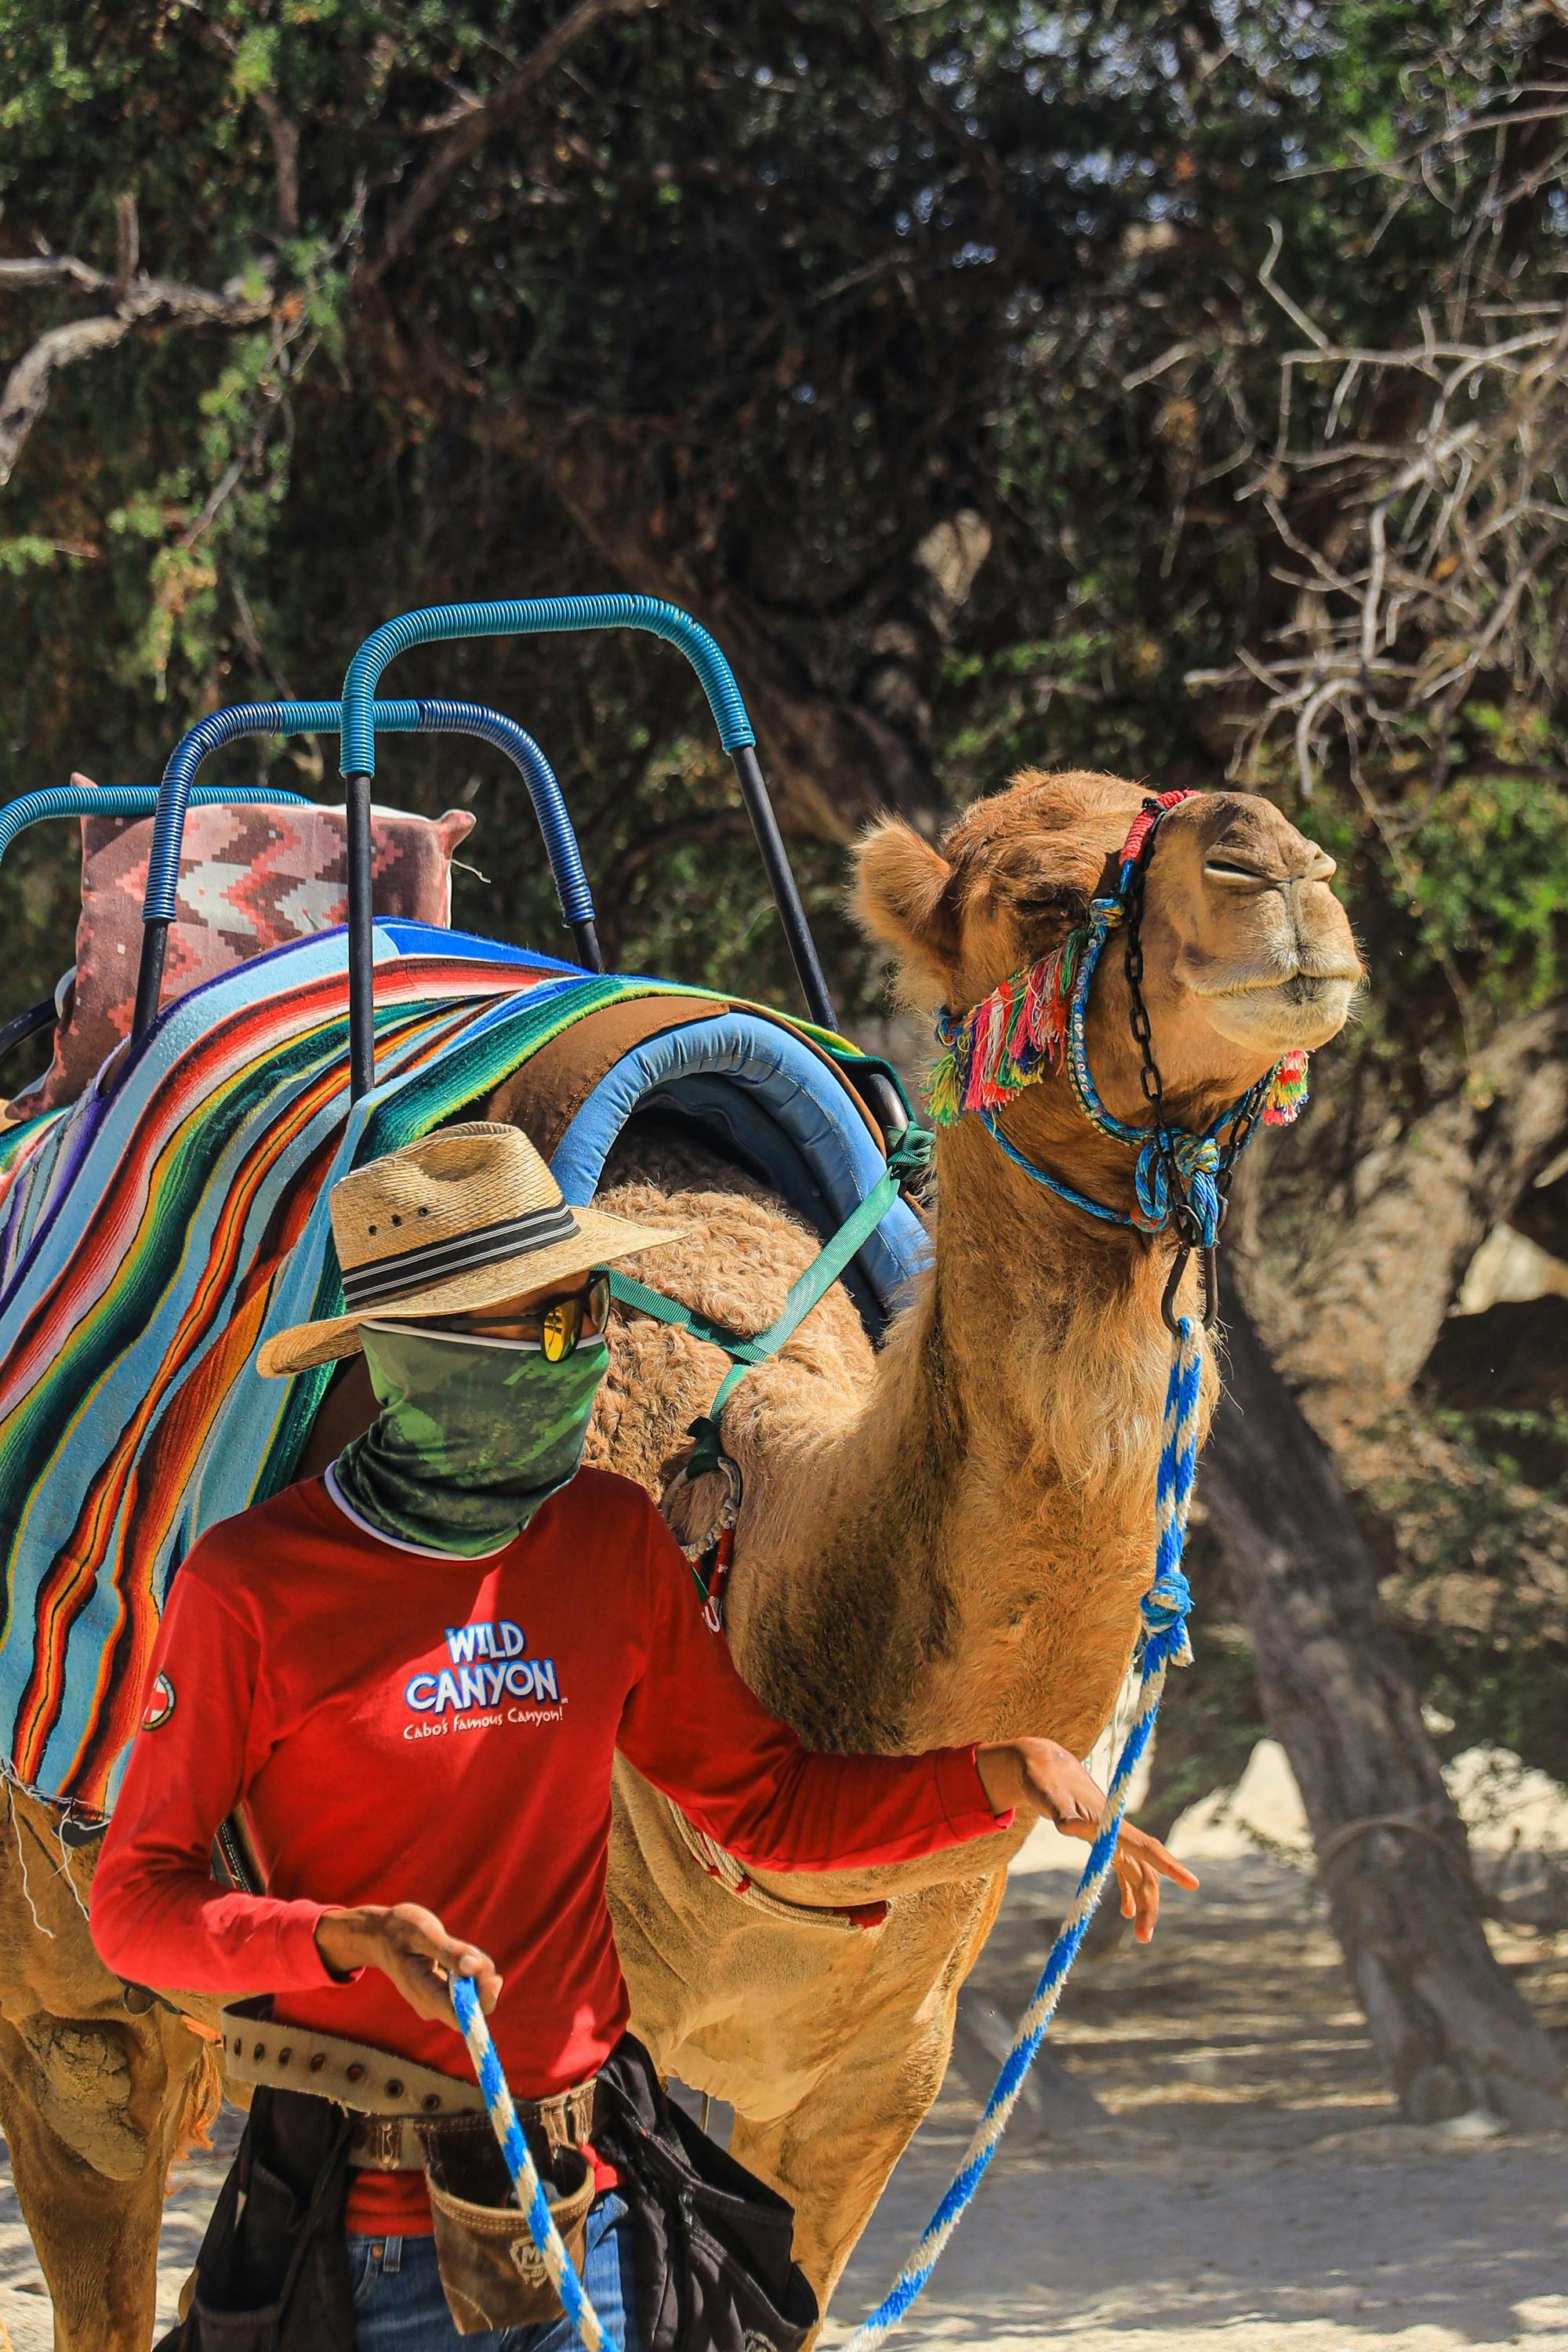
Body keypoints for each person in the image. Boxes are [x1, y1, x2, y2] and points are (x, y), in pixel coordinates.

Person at [90, 1121, 1195, 2352]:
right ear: (426, 1355)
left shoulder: (606, 1542)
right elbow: (137, 1911)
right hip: (361, 2248)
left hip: (595, 2219)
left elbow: (764, 1806)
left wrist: (996, 1780)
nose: (594, 1357)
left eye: (595, 1312)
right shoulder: (256, 1586)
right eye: (556, 1325)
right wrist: (338, 1941)